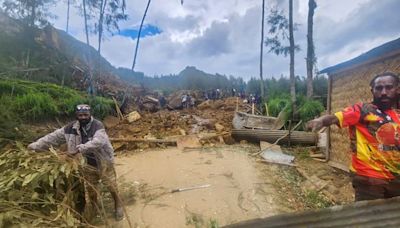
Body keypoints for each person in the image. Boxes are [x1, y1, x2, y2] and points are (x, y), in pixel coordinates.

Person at [307, 72, 400, 201]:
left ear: (397, 90)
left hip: (396, 179)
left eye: (389, 87)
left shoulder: (397, 116)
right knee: (367, 219)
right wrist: (321, 121)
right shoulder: (361, 110)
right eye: (379, 88)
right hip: (369, 179)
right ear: (372, 91)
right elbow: (335, 117)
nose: (384, 92)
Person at [28, 104, 124, 220]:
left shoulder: (97, 126)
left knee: (111, 185)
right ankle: (94, 208)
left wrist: (78, 149)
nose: (83, 117)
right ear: (76, 115)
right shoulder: (70, 128)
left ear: (90, 114)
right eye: (80, 115)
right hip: (86, 164)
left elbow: (98, 141)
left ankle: (118, 205)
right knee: (91, 189)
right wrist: (34, 146)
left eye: (85, 115)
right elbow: (52, 138)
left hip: (103, 161)